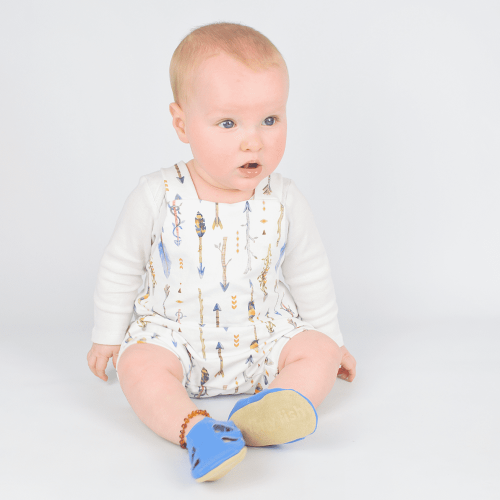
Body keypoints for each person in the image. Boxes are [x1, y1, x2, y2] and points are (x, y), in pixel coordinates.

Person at [87, 21, 356, 483]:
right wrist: (108, 334)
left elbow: (310, 271)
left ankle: (266, 414)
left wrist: (332, 338)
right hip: (175, 337)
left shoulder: (284, 198)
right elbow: (121, 266)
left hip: (264, 335)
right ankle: (198, 430)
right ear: (182, 123)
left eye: (270, 120)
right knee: (139, 365)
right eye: (228, 123)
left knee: (318, 353)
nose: (253, 140)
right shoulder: (157, 194)